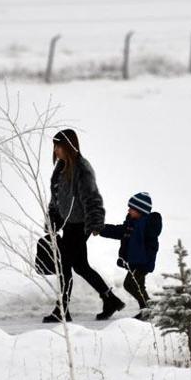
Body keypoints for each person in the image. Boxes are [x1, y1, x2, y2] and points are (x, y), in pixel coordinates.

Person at [43, 129, 125, 323]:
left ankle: (61, 310)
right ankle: (110, 299)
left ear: (69, 146)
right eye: (55, 146)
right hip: (69, 224)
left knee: (65, 266)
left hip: (80, 225)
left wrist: (95, 222)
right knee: (80, 266)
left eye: (60, 146)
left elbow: (92, 197)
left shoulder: (82, 168)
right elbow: (56, 199)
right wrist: (52, 220)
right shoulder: (61, 167)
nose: (56, 150)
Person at [97, 192, 162, 320]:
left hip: (142, 262)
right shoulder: (131, 223)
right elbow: (119, 231)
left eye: (132, 208)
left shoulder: (148, 225)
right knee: (138, 286)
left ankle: (149, 308)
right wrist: (101, 229)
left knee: (130, 284)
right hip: (135, 261)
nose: (128, 210)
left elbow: (152, 242)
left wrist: (146, 259)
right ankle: (147, 309)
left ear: (141, 211)